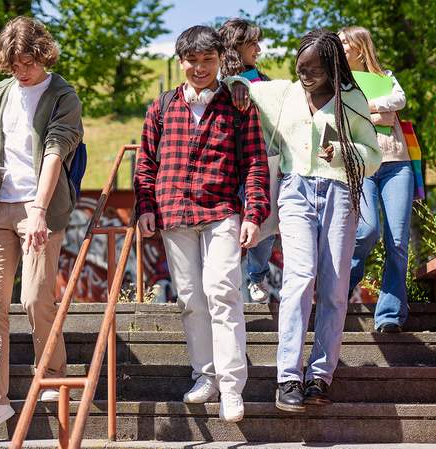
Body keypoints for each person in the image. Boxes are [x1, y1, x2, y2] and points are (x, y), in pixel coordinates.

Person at [226, 28, 381, 412]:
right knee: (300, 277)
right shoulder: (283, 93)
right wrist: (238, 86)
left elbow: (373, 156)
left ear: (332, 68)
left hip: (341, 193)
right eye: (300, 68)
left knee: (333, 288)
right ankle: (289, 377)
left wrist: (344, 151)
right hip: (294, 191)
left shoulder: (352, 99)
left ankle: (320, 377)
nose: (305, 76)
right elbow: (228, 81)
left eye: (314, 70)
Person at [0, 16, 84, 444]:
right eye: (13, 64)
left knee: (34, 298)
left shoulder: (63, 94)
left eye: (27, 61)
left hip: (40, 208)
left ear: (42, 54)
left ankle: (51, 374)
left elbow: (54, 153)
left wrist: (39, 211)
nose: (21, 70)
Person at [134, 25, 270, 423]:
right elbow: (145, 163)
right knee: (191, 299)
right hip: (173, 214)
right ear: (180, 62)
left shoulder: (239, 104)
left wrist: (254, 213)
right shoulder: (161, 107)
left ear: (219, 60)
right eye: (191, 60)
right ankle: (204, 376)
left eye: (207, 59)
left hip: (222, 212)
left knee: (223, 292)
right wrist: (145, 205)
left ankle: (231, 386)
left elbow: (256, 165)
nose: (199, 67)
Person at [338, 26, 412, 333]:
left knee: (397, 242)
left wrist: (362, 108)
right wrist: (377, 112)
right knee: (366, 232)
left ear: (359, 47)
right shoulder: (336, 83)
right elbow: (338, 116)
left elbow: (399, 102)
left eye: (344, 43)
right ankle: (338, 295)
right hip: (361, 164)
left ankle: (389, 317)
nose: (339, 48)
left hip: (397, 164)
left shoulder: (386, 77)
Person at [219, 18, 275, 304]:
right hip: (222, 164)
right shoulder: (213, 76)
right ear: (236, 45)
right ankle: (225, 283)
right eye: (253, 43)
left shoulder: (261, 81)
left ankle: (257, 275)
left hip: (256, 161)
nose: (259, 49)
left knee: (263, 223)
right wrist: (235, 82)